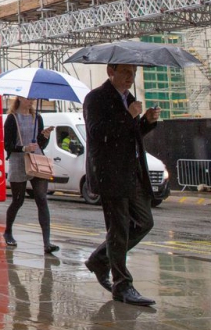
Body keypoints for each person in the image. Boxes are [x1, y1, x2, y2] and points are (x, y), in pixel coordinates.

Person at [83, 63, 161, 306]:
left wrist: (146, 122)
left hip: (132, 173)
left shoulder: (129, 99)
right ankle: (122, 285)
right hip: (110, 174)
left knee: (145, 221)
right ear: (111, 71)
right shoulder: (95, 98)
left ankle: (99, 258)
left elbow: (130, 134)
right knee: (118, 230)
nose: (131, 77)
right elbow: (98, 133)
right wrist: (128, 116)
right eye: (126, 72)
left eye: (134, 73)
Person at [1, 96, 57, 254]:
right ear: (19, 98)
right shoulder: (12, 119)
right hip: (18, 161)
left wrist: (45, 136)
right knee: (18, 201)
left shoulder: (37, 117)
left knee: (42, 198)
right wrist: (24, 148)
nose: (31, 101)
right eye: (28, 98)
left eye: (33, 98)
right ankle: (8, 232)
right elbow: (8, 145)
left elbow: (40, 144)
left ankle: (47, 242)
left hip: (36, 161)